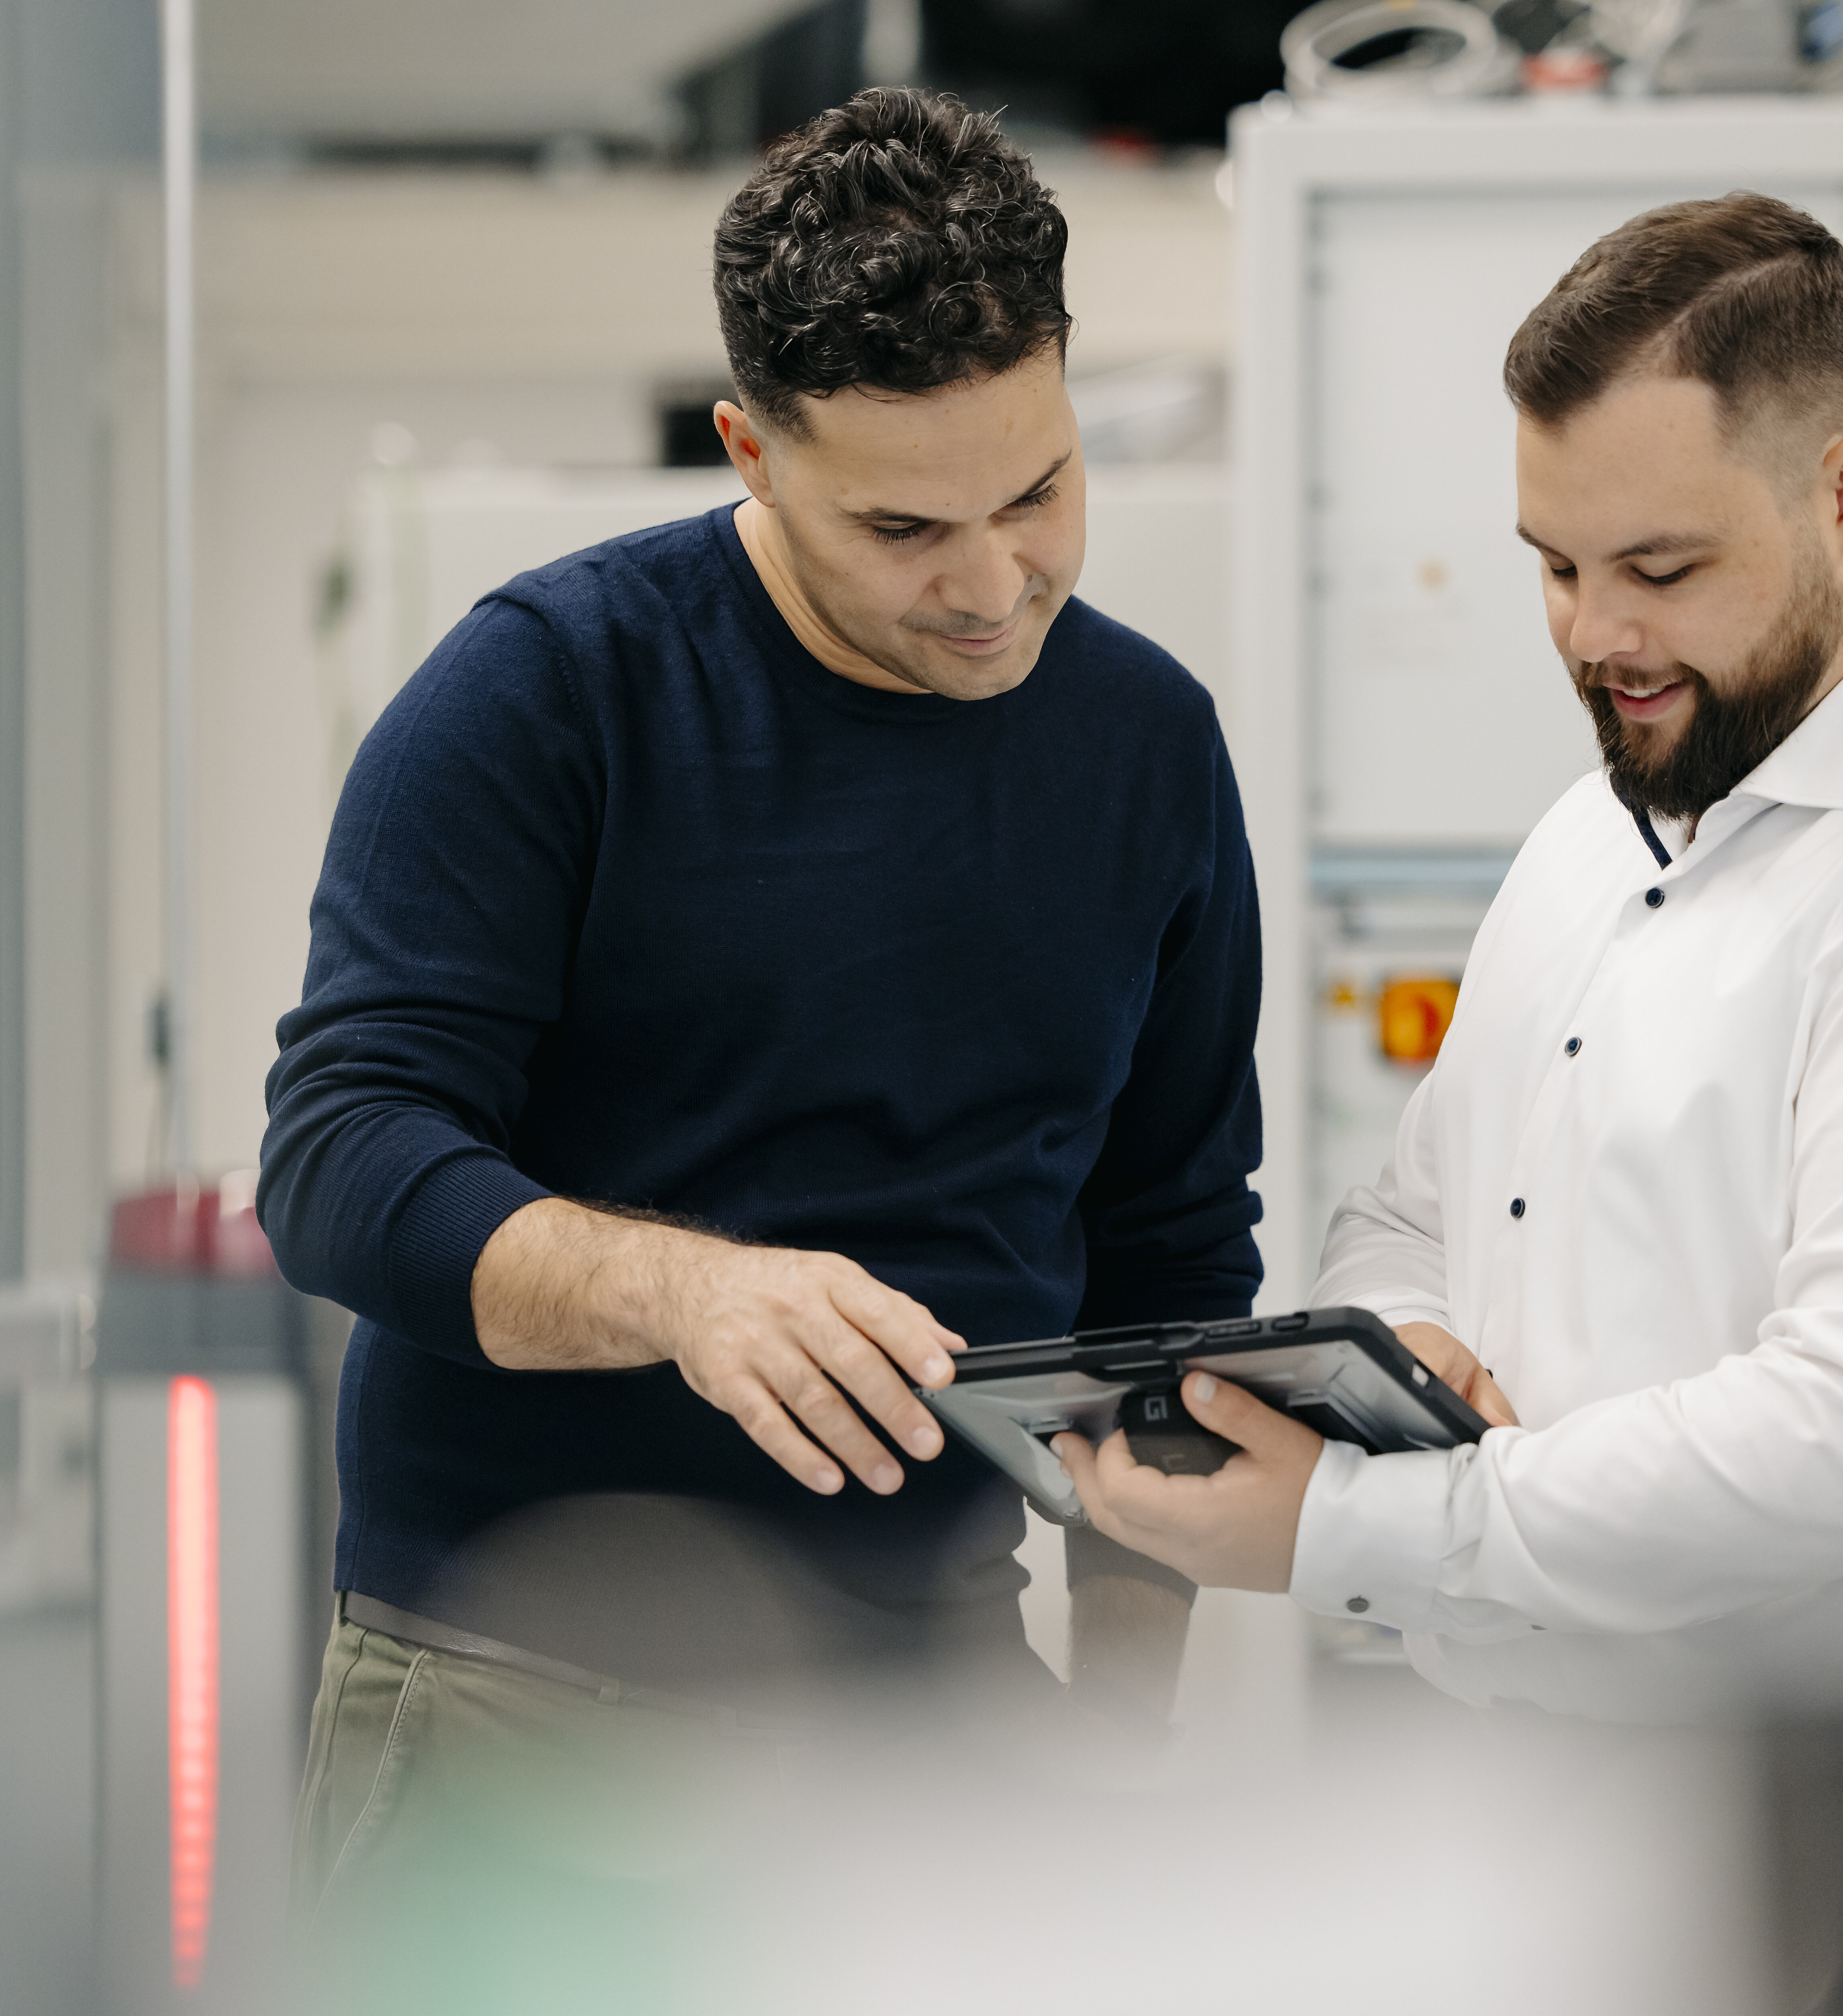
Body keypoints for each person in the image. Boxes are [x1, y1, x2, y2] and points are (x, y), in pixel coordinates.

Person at [1059, 194, 1843, 2016]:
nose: (1596, 635)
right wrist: (1391, 1345)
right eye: (1555, 566)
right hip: (1527, 1792)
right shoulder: (1587, 845)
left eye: (1659, 567)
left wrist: (1359, 1524)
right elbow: (1412, 1209)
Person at [261, 88, 1263, 1916]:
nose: (988, 585)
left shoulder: (1148, 747)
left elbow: (1171, 1258)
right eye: (900, 527)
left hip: (956, 1713)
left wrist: (1121, 1726)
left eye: (1036, 491)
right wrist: (684, 1291)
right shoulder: (542, 697)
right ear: (746, 450)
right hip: (525, 1701)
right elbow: (341, 1160)